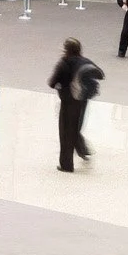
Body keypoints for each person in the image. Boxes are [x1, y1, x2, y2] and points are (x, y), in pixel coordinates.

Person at [48, 36, 99, 173]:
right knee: (75, 127)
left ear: (67, 50)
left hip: (68, 101)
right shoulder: (85, 61)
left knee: (66, 132)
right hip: (82, 100)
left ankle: (66, 165)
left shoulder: (64, 63)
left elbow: (52, 83)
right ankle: (83, 150)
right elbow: (99, 74)